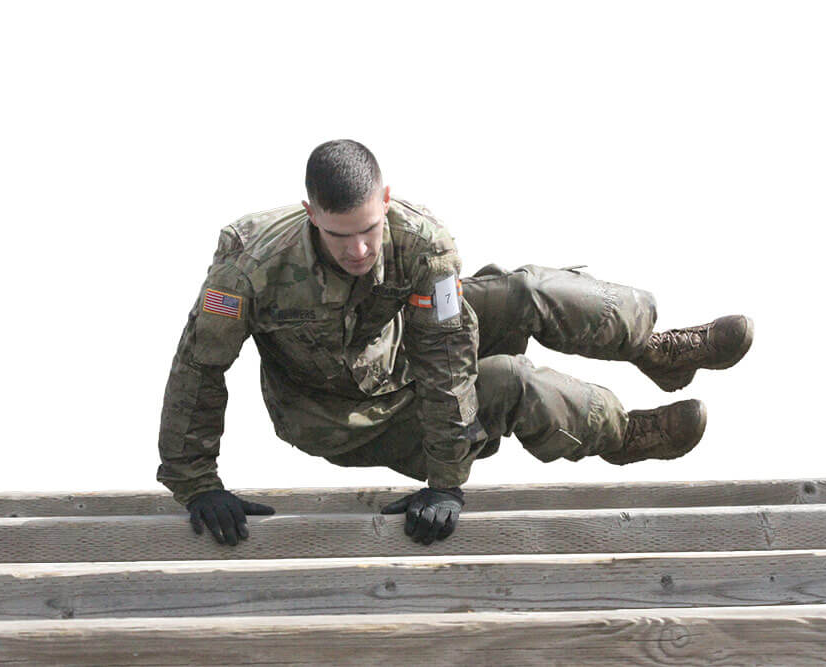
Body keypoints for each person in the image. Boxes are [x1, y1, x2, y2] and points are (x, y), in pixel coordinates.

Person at [157, 139, 753, 547]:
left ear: (385, 201)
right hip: (345, 416)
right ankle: (623, 436)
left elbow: (443, 356)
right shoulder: (249, 267)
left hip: (404, 354)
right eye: (340, 237)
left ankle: (653, 350)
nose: (359, 251)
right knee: (511, 381)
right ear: (311, 212)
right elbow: (198, 367)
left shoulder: (423, 242)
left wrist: (446, 479)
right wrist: (197, 482)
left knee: (523, 291)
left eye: (368, 230)